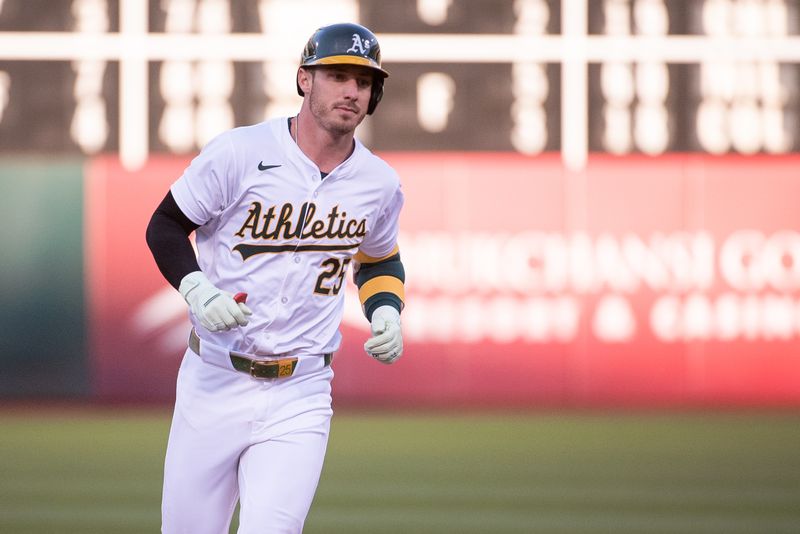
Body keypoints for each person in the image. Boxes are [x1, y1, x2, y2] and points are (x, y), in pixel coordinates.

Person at [145, 22, 405, 534]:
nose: (352, 90)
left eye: (364, 80)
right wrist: (196, 288)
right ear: (305, 80)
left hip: (302, 392)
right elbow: (166, 225)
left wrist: (387, 310)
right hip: (214, 379)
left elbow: (378, 259)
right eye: (337, 74)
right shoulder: (239, 152)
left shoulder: (378, 182)